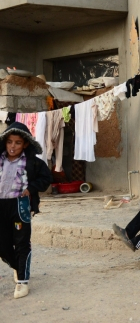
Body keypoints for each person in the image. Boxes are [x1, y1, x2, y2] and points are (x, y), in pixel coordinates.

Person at [0, 122, 52, 299]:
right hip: (1, 207)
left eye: (18, 143)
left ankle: (22, 281)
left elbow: (46, 179)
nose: (13, 146)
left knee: (22, 243)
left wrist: (31, 188)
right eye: (9, 142)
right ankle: (16, 266)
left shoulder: (33, 163)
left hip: (20, 206)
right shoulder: (0, 159)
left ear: (25, 144)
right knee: (3, 244)